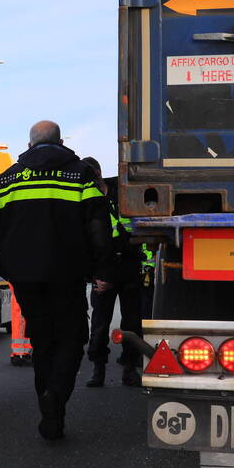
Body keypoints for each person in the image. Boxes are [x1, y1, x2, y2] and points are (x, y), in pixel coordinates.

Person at [0, 120, 111, 440]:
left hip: (25, 275)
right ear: (61, 141)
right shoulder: (80, 174)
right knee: (71, 336)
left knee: (42, 341)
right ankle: (55, 398)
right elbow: (99, 225)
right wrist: (101, 269)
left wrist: (1, 263)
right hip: (68, 273)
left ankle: (50, 408)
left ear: (29, 145)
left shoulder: (9, 177)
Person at [80, 158, 143, 388]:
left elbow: (137, 227)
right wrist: (93, 276)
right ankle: (98, 370)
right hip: (102, 272)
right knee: (99, 325)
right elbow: (85, 244)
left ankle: (130, 368)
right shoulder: (85, 201)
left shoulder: (121, 192)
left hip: (128, 267)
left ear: (97, 172)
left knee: (132, 323)